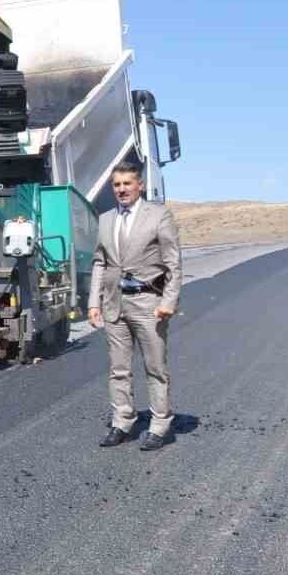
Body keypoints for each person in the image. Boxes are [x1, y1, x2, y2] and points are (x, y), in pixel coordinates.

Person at [88, 162, 183, 451]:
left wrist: (168, 302)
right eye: (117, 185)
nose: (122, 189)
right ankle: (122, 422)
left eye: (127, 183)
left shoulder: (158, 215)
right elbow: (100, 263)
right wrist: (94, 303)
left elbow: (173, 263)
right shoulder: (105, 219)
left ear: (139, 185)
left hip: (148, 303)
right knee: (119, 369)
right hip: (115, 304)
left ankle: (160, 425)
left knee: (155, 368)